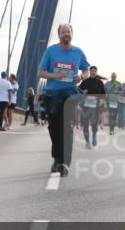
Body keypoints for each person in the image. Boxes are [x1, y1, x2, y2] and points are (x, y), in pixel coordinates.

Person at [37, 23, 89, 176]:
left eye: (68, 31)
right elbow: (40, 72)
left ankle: (65, 163)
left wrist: (82, 76)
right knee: (54, 128)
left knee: (66, 128)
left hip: (70, 94)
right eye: (63, 32)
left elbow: (86, 69)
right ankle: (57, 159)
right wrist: (56, 76)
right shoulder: (51, 51)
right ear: (59, 34)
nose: (66, 34)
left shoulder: (78, 52)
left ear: (72, 34)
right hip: (53, 94)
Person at [79, 66, 106, 149]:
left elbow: (103, 94)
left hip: (96, 106)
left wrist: (101, 100)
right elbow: (78, 91)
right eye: (92, 71)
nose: (93, 72)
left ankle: (94, 135)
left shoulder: (100, 82)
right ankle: (87, 142)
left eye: (95, 71)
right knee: (85, 125)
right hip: (86, 107)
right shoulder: (85, 82)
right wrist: (83, 92)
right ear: (90, 72)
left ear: (96, 72)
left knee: (94, 124)